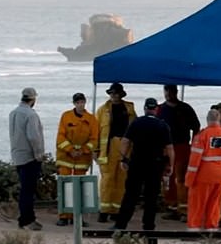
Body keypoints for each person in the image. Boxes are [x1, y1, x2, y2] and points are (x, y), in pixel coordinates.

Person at [112, 98, 174, 230]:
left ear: (145, 109)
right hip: (155, 165)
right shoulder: (163, 125)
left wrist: (123, 159)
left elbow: (125, 142)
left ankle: (121, 225)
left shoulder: (136, 123)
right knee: (151, 198)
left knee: (130, 195)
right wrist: (171, 165)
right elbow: (169, 148)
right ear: (156, 110)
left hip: (137, 164)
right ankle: (149, 226)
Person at [185, 110, 221, 231]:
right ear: (219, 119)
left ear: (207, 119)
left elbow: (194, 161)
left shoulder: (203, 135)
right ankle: (211, 228)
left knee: (197, 203)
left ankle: (194, 228)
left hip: (203, 176)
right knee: (215, 203)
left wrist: (189, 180)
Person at [157, 84, 201, 222]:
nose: (169, 94)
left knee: (181, 178)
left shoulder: (185, 108)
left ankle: (184, 209)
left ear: (176, 91)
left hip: (182, 147)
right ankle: (171, 207)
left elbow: (196, 126)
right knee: (167, 178)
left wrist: (194, 145)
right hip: (165, 148)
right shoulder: (160, 109)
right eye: (167, 91)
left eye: (172, 91)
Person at [95, 83, 137, 222]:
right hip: (108, 148)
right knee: (107, 179)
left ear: (120, 94)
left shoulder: (129, 109)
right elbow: (96, 132)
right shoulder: (102, 110)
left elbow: (135, 129)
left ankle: (116, 210)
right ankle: (104, 210)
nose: (113, 96)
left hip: (125, 146)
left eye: (115, 93)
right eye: (111, 93)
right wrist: (96, 150)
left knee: (121, 179)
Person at [55, 92, 98, 226]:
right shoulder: (66, 116)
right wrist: (70, 150)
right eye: (78, 102)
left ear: (85, 102)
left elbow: (94, 140)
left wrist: (83, 150)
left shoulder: (92, 120)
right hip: (66, 159)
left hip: (82, 160)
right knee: (64, 187)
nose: (80, 104)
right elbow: (60, 137)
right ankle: (63, 216)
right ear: (74, 103)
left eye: (82, 102)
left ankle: (77, 217)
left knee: (80, 189)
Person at [9, 87, 47, 231]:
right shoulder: (30, 115)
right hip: (29, 157)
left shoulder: (13, 113)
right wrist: (39, 154)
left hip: (17, 155)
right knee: (28, 190)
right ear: (33, 99)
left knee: (24, 189)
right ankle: (27, 220)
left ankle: (23, 219)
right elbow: (33, 137)